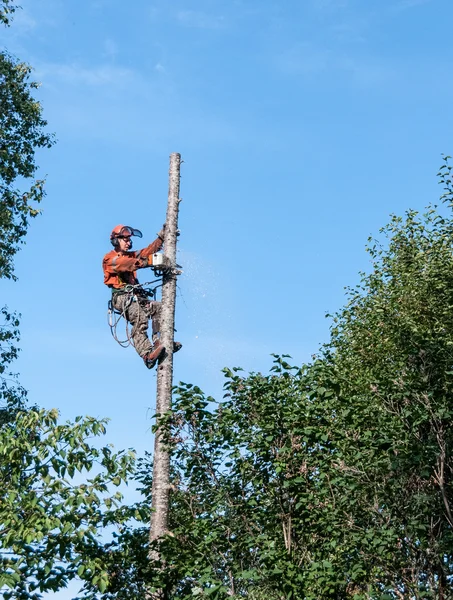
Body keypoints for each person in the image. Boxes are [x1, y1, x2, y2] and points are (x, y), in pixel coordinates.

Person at [102, 224, 181, 369]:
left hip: (136, 297)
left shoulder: (130, 255)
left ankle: (160, 341)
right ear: (115, 241)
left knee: (160, 309)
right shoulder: (110, 259)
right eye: (124, 239)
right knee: (139, 317)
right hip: (121, 298)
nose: (128, 242)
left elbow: (147, 252)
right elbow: (126, 264)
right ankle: (147, 355)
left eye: (129, 240)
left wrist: (161, 237)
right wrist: (148, 262)